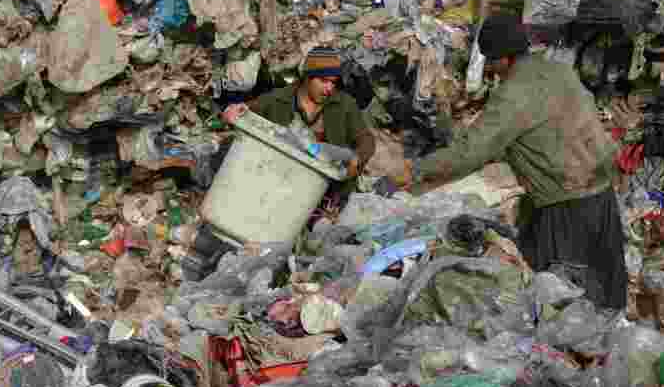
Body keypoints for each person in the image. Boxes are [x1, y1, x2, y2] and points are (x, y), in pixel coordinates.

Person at [409, 16, 628, 310]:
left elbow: (470, 152)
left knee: (564, 302)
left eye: (490, 60)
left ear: (503, 59)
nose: (488, 69)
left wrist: (416, 171)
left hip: (565, 206)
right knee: (604, 294)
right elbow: (547, 130)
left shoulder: (514, 92)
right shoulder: (559, 71)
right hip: (601, 195)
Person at [222, 46, 376, 206]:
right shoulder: (278, 99)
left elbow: (366, 139)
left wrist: (357, 158)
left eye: (333, 83)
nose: (329, 88)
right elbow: (244, 111)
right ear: (307, 78)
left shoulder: (344, 104)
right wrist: (234, 111)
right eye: (323, 81)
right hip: (277, 181)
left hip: (323, 190)